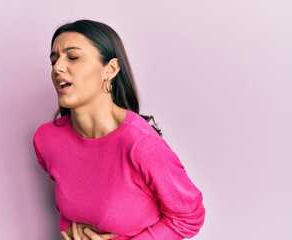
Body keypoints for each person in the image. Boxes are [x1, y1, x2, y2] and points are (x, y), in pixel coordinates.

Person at [33, 19, 205, 240]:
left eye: (73, 57)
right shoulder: (47, 140)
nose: (58, 68)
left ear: (110, 69)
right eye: (54, 60)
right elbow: (77, 199)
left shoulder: (141, 144)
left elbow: (189, 218)